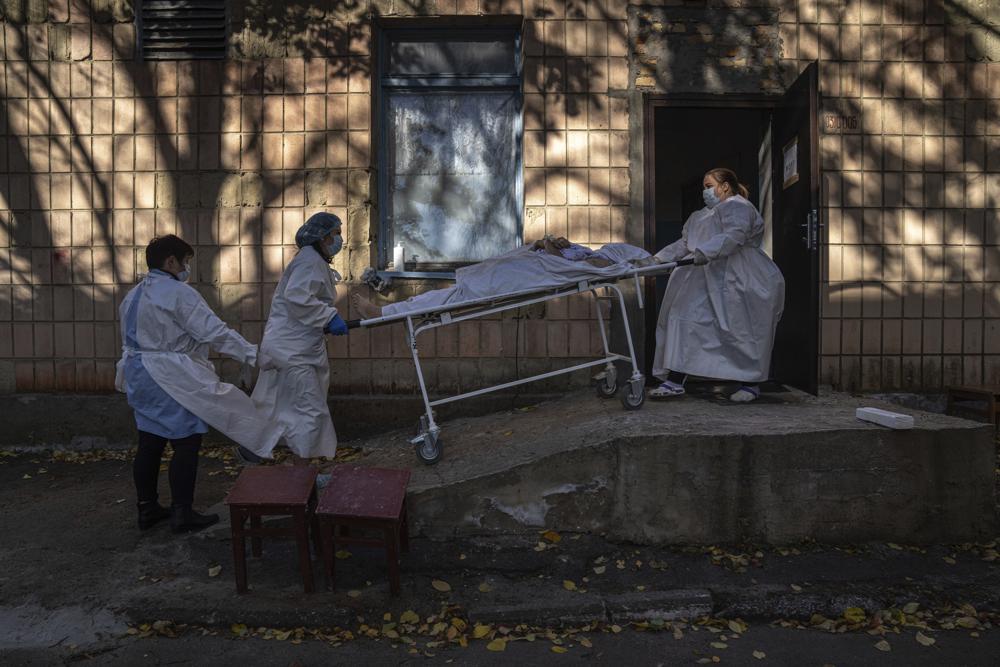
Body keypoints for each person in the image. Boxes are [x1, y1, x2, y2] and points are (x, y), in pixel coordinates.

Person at [117, 235, 282, 533]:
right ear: (171, 262)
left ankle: (147, 509)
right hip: (169, 375)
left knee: (150, 441)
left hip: (137, 373)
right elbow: (213, 332)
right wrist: (253, 354)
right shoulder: (179, 294)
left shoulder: (133, 295)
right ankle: (182, 512)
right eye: (186, 262)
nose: (187, 268)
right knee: (186, 441)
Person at [649, 168, 785, 403]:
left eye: (709, 185)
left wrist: (706, 251)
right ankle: (675, 379)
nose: (705, 191)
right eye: (704, 186)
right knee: (684, 321)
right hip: (701, 278)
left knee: (738, 328)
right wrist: (657, 259)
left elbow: (734, 235)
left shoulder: (738, 207)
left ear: (725, 186)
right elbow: (684, 244)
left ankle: (750, 383)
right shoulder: (700, 216)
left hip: (737, 277)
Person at [250, 212, 348, 462]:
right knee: (309, 411)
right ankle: (304, 470)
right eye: (336, 233)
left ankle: (253, 452)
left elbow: (303, 300)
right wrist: (328, 317)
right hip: (293, 351)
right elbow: (297, 297)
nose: (339, 239)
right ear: (324, 236)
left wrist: (322, 319)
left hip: (294, 346)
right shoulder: (310, 261)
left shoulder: (313, 260)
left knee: (281, 406)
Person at [351, 237, 650, 319]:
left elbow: (561, 267)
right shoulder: (589, 256)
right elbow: (561, 256)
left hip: (515, 279)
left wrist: (549, 246)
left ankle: (382, 312)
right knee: (445, 297)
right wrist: (561, 243)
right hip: (513, 273)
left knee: (446, 299)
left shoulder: (599, 265)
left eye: (608, 254)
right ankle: (384, 311)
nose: (600, 254)